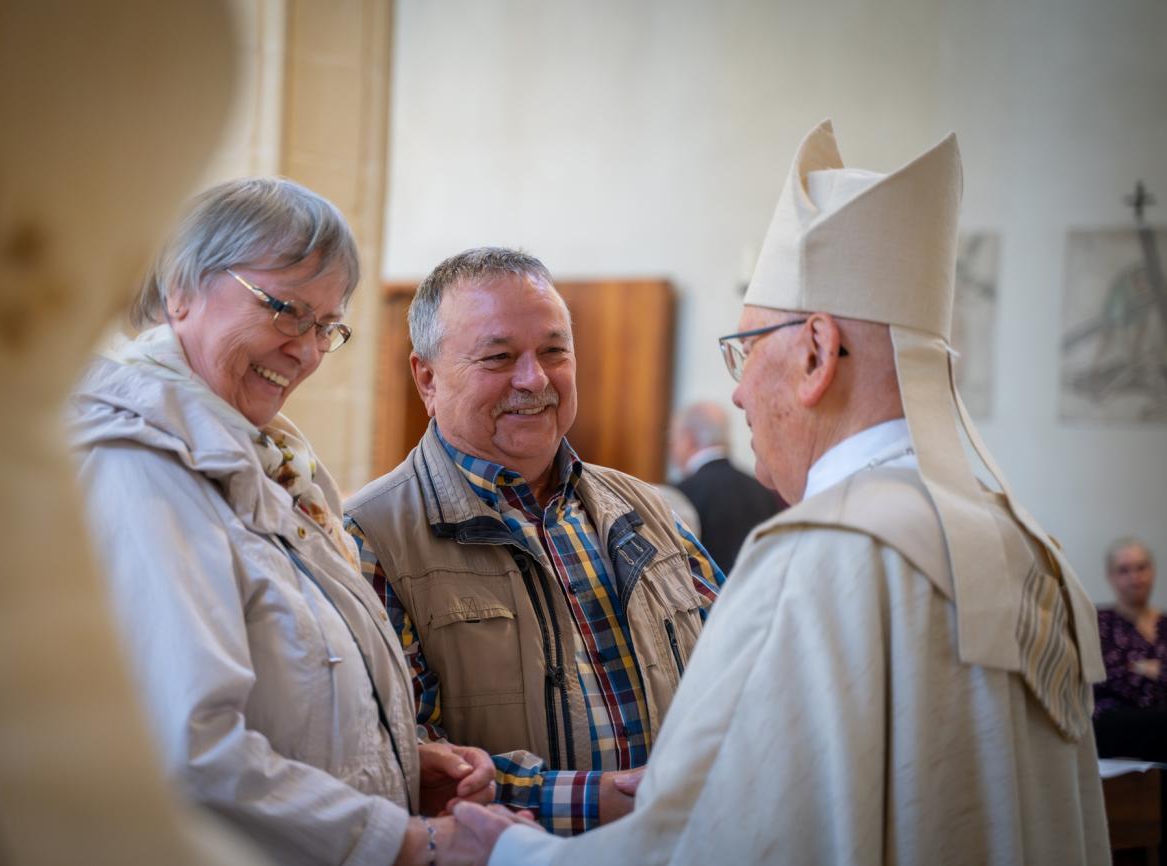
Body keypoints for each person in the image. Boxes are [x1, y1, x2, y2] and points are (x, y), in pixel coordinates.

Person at [452, 121, 1110, 864]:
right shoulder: (1021, 543)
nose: (737, 396)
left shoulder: (820, 559)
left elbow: (715, 846)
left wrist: (513, 854)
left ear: (817, 354)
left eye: (746, 349)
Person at [70, 177, 496, 866]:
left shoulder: (271, 458)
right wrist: (400, 840)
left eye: (328, 326)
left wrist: (391, 765)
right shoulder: (138, 467)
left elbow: (284, 690)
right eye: (286, 311)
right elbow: (185, 749)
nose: (307, 352)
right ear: (181, 289)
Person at [343, 247, 725, 835]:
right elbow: (393, 753)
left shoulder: (648, 508)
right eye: (498, 357)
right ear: (426, 378)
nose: (535, 379)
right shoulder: (371, 539)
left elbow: (738, 664)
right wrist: (605, 802)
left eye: (554, 351)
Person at [670, 400, 782, 571]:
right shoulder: (762, 491)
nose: (673, 451)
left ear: (688, 439)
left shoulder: (679, 495)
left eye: (673, 441)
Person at [1093, 538, 1167, 762]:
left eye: (1141, 568)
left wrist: (1147, 670)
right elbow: (1101, 678)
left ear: (1152, 571)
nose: (1135, 578)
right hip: (1114, 725)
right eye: (1124, 570)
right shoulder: (1098, 622)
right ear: (1111, 577)